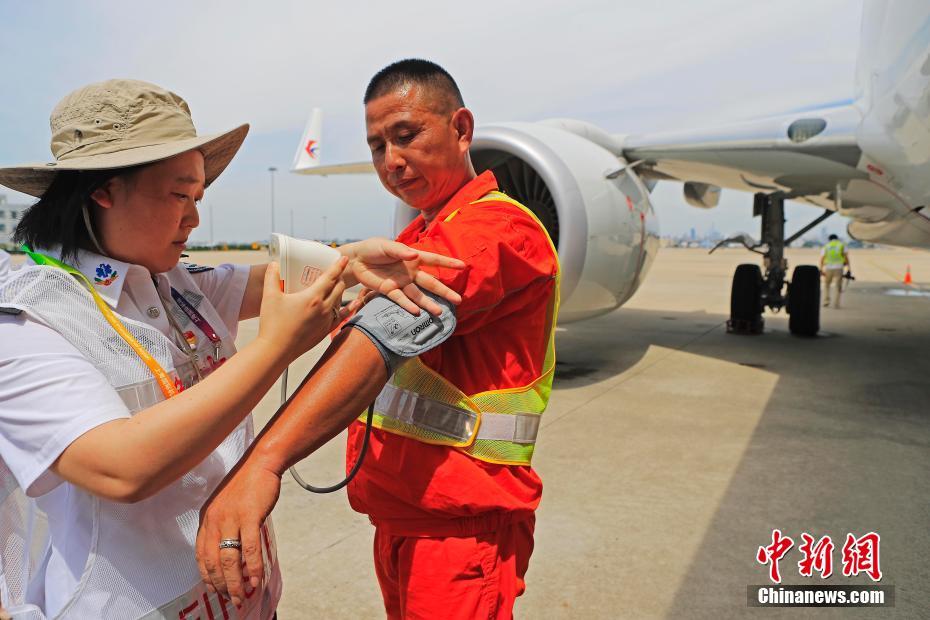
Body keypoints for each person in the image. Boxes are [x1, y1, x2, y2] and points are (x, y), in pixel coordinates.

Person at [0, 79, 464, 619]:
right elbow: (120, 467)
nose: (194, 219)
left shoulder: (177, 283)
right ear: (103, 190)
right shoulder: (29, 321)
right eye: (178, 196)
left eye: (198, 199)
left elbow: (279, 277)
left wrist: (350, 259)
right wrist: (275, 347)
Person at [197, 59, 560, 619]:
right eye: (376, 146)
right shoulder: (420, 234)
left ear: (461, 129)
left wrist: (262, 462)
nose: (391, 161)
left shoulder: (494, 231)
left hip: (460, 531)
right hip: (405, 518)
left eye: (406, 135)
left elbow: (383, 334)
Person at [820, 234, 850, 308]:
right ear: (837, 238)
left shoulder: (826, 246)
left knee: (827, 285)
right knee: (838, 286)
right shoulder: (841, 245)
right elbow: (846, 257)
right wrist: (849, 268)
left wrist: (821, 269)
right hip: (839, 267)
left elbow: (822, 258)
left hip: (828, 268)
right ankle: (836, 303)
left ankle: (826, 301)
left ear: (829, 239)